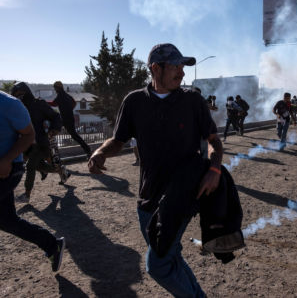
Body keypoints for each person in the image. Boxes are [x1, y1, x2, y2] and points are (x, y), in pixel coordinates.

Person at [88, 43, 224, 297]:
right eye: (175, 66)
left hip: (181, 195)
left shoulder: (192, 100)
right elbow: (119, 140)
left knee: (158, 265)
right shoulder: (134, 101)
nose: (181, 73)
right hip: (147, 197)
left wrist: (214, 169)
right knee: (169, 256)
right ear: (155, 68)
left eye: (183, 67)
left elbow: (213, 140)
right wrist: (100, 152)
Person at [0, 89, 65, 272]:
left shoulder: (10, 104)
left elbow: (30, 134)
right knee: (7, 220)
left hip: (9, 168)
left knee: (32, 168)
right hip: (32, 152)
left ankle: (53, 174)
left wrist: (7, 159)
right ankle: (52, 244)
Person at [11, 82, 65, 203]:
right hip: (27, 145)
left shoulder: (39, 104)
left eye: (20, 94)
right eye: (16, 95)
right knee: (40, 166)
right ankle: (61, 170)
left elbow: (55, 116)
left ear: (26, 92)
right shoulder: (17, 107)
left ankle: (26, 195)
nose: (19, 97)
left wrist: (54, 129)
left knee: (30, 166)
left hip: (41, 143)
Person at [49, 81, 92, 159]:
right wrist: (69, 110)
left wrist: (44, 102)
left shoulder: (60, 96)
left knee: (52, 132)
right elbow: (74, 103)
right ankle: (88, 150)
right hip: (69, 118)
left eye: (55, 88)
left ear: (58, 88)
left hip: (65, 119)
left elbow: (53, 104)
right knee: (74, 136)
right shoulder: (67, 95)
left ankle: (53, 154)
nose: (55, 90)